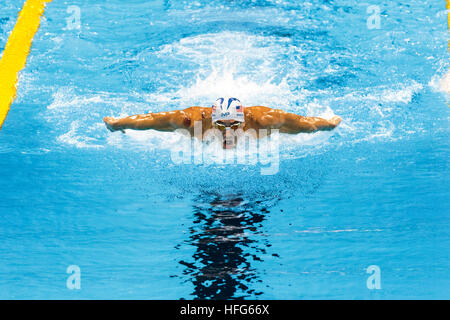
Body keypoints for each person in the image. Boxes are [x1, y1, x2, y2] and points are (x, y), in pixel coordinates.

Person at [103, 97, 341, 149]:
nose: (228, 132)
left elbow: (305, 123)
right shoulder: (191, 121)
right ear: (210, 120)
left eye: (234, 125)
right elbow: (151, 120)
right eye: (221, 125)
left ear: (244, 119)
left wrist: (328, 124)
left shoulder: (264, 121)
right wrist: (117, 124)